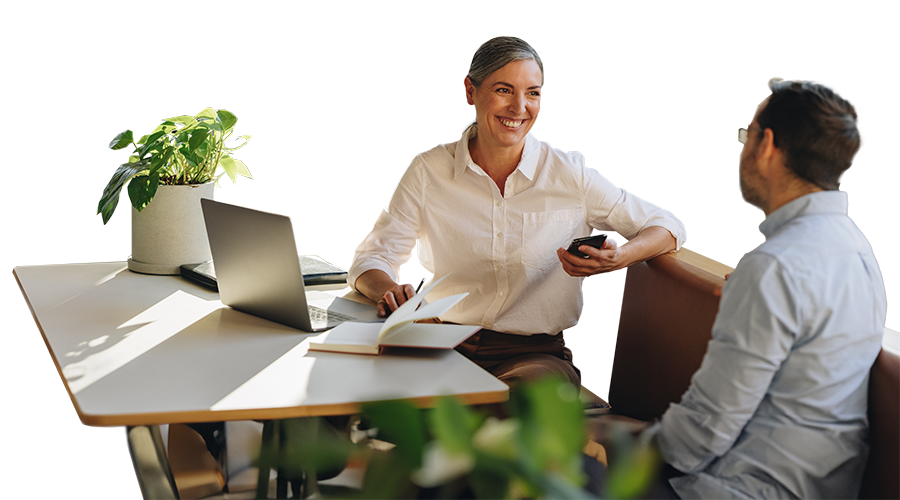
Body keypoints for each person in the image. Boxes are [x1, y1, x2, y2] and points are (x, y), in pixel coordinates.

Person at [348, 36, 685, 389]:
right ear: (470, 92)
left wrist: (621, 256)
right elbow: (372, 257)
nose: (519, 107)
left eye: (533, 93)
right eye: (504, 90)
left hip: (532, 357)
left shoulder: (568, 175)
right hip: (440, 344)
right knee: (362, 398)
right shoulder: (428, 171)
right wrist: (389, 290)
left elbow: (667, 226)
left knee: (514, 412)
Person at [641, 78, 887, 499]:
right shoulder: (855, 248)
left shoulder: (775, 266)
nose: (743, 150)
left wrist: (624, 449)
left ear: (768, 145)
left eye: (747, 135)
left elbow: (706, 428)